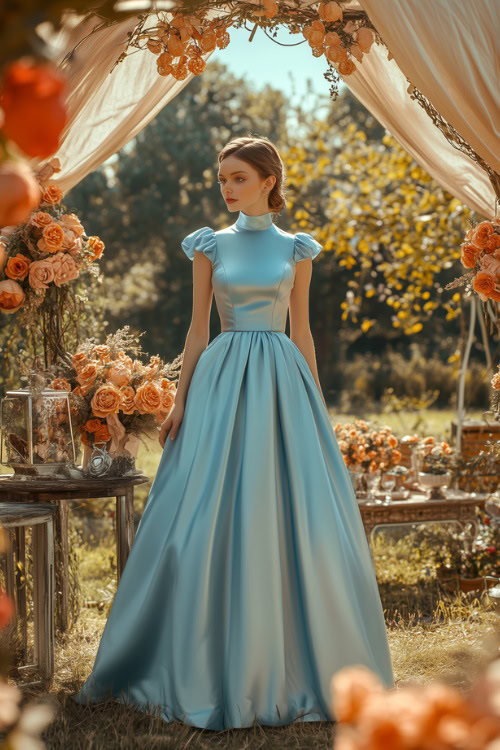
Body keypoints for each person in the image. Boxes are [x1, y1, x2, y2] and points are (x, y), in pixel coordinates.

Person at [73, 135, 395, 730]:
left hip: (283, 383)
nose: (226, 188)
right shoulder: (209, 246)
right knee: (202, 508)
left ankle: (297, 660)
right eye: (221, 177)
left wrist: (315, 402)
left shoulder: (297, 250)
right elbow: (197, 331)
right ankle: (192, 658)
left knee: (288, 508)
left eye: (238, 177)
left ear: (269, 180)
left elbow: (302, 333)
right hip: (221, 381)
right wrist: (179, 402)